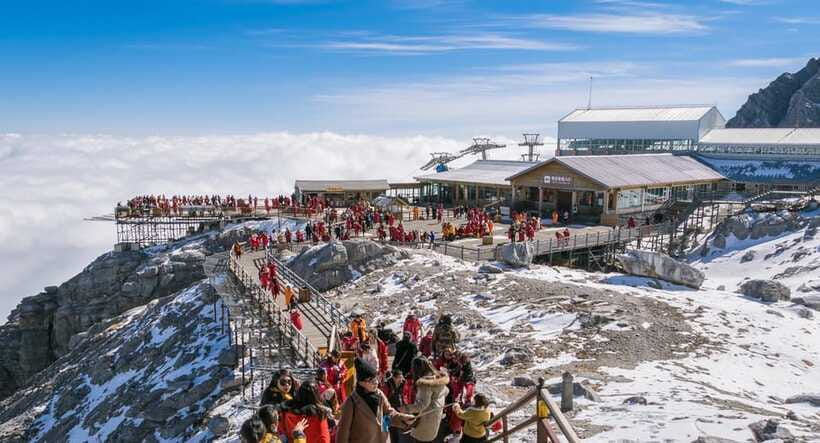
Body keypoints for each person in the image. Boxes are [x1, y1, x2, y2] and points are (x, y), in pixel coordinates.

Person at [336, 358, 413, 443]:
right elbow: (343, 431)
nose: (376, 382)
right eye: (371, 380)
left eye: (376, 379)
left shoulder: (379, 394)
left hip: (381, 439)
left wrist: (403, 417)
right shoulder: (351, 402)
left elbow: (389, 414)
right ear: (361, 382)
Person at [404, 357, 450, 443]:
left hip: (426, 418)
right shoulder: (438, 377)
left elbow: (422, 405)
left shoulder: (425, 384)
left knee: (422, 439)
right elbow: (446, 391)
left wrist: (405, 408)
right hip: (435, 415)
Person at [384, 370, 407, 443]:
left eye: (402, 377)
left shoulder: (403, 383)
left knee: (396, 430)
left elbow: (404, 395)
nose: (401, 379)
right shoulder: (387, 384)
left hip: (398, 409)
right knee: (385, 430)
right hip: (387, 410)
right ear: (394, 378)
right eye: (399, 378)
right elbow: (384, 398)